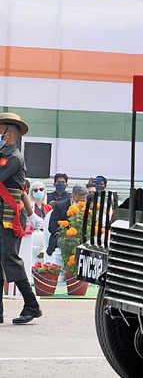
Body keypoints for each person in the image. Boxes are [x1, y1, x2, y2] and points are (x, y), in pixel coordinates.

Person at [0, 112, 42, 324]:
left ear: (9, 135)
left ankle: (32, 305)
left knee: (10, 258)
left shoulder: (12, 157)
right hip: (1, 213)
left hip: (8, 215)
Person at [46, 184, 88, 259]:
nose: (80, 203)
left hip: (80, 238)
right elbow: (52, 227)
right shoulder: (60, 206)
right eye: (77, 201)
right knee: (69, 243)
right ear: (71, 197)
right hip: (63, 237)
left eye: (83, 201)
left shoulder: (87, 209)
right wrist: (67, 232)